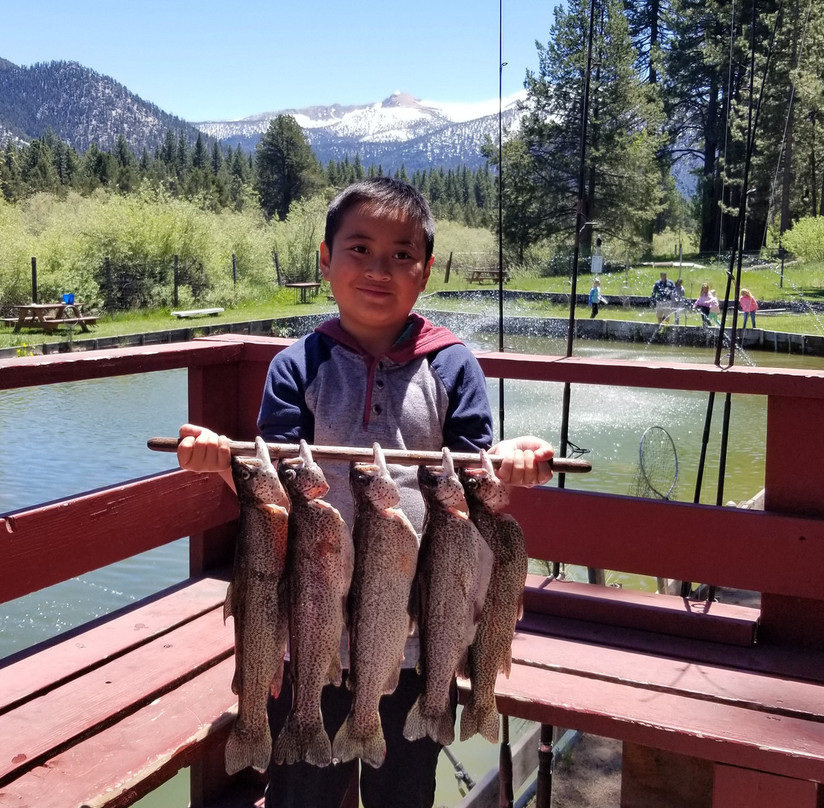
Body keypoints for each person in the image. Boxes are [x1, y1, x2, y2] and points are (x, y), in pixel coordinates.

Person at [176, 177, 553, 808]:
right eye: (359, 249)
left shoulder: (455, 366)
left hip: (420, 633)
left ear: (427, 271)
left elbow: (475, 475)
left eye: (402, 254)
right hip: (311, 624)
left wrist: (510, 461)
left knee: (403, 791)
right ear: (324, 260)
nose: (380, 268)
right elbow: (276, 491)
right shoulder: (296, 366)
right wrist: (223, 464)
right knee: (306, 792)